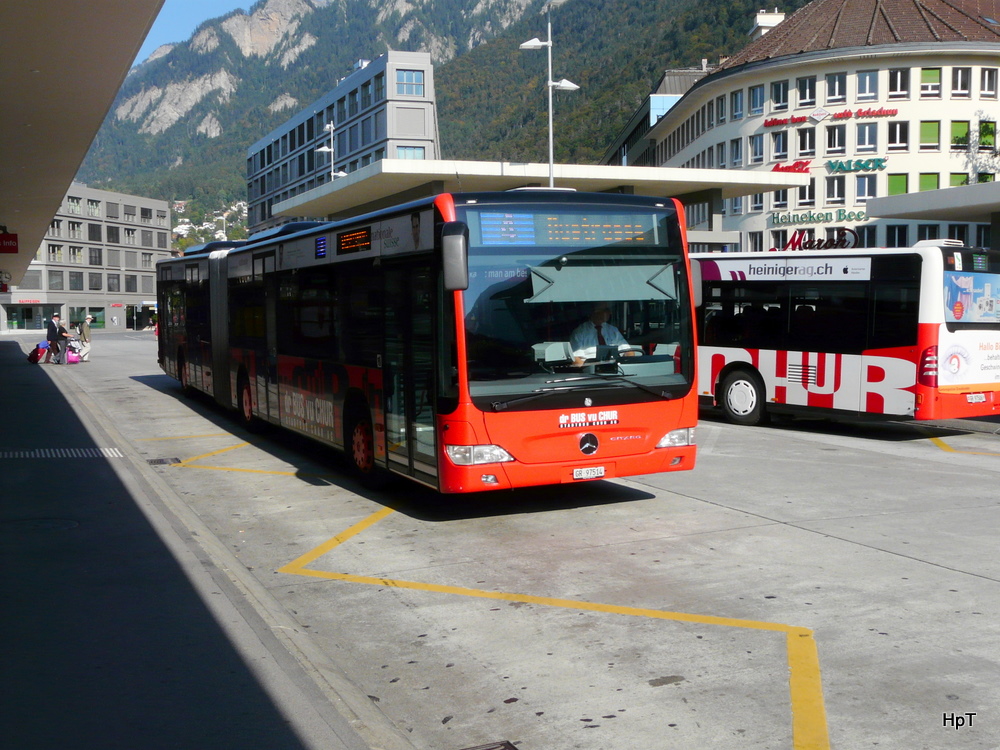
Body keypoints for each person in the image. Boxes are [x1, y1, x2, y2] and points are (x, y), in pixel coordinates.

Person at [569, 302, 635, 365]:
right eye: (605, 310)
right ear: (593, 312)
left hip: (616, 370)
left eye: (608, 310)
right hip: (591, 372)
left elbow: (629, 352)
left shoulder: (613, 330)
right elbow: (576, 360)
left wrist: (627, 362)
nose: (609, 312)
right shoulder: (580, 332)